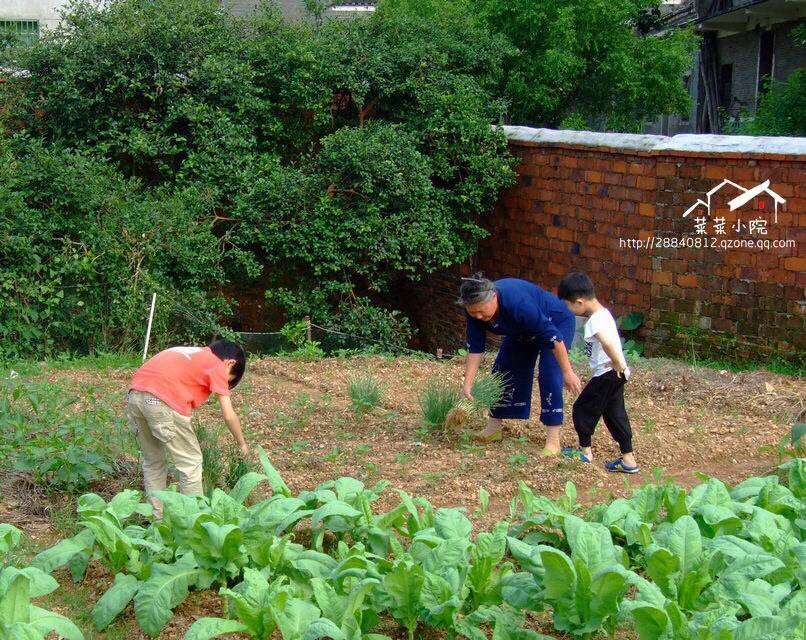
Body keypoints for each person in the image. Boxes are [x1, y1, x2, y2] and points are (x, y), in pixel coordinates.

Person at [458, 274, 582, 453]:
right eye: (473, 312)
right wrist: (468, 383)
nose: (478, 316)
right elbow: (475, 348)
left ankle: (553, 442)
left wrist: (567, 371)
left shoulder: (518, 304)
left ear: (493, 297)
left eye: (481, 311)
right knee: (502, 369)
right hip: (522, 329)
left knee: (549, 372)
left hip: (554, 321)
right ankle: (493, 429)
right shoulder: (474, 310)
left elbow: (553, 338)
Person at [127, 339, 249, 516]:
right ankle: (193, 523)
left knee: (153, 461)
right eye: (230, 379)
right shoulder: (217, 364)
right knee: (190, 464)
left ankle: (156, 520)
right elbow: (229, 415)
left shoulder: (188, 352)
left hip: (135, 397)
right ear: (230, 363)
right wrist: (242, 443)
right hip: (163, 400)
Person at [557, 272, 639, 473]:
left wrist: (616, 363)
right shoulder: (604, 314)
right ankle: (629, 460)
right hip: (617, 374)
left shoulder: (595, 320)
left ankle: (585, 453)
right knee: (614, 413)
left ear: (579, 302)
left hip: (607, 373)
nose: (568, 310)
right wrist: (620, 366)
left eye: (568, 305)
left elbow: (607, 343)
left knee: (582, 409)